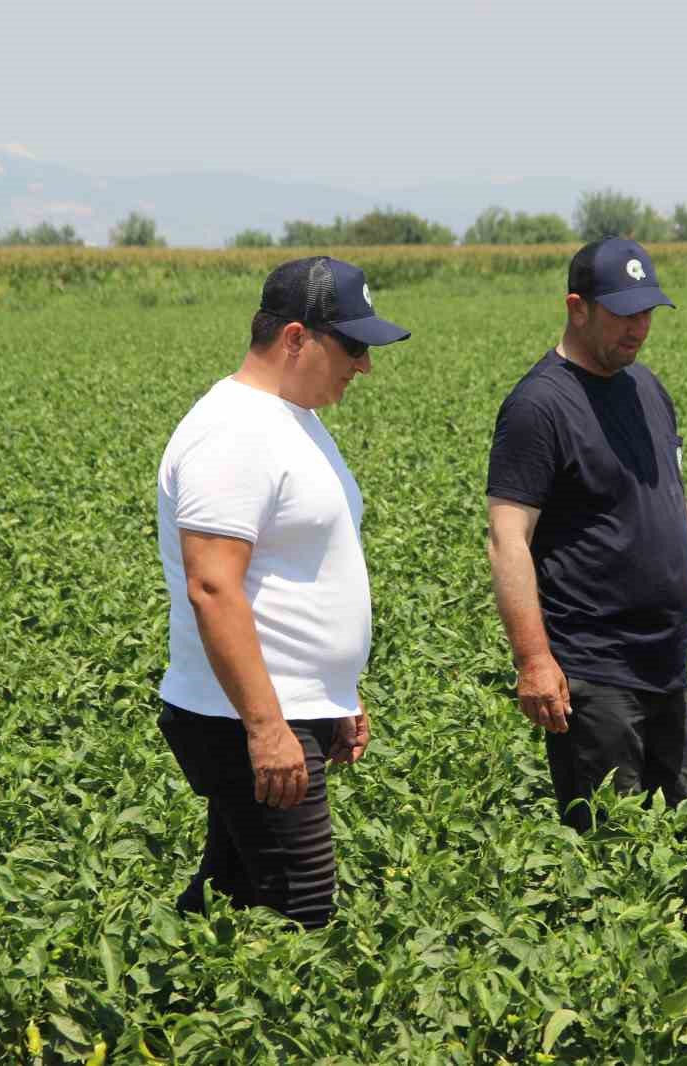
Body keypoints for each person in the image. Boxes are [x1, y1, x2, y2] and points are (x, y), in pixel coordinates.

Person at [155, 255, 409, 929]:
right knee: (301, 913)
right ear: (296, 338)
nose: (364, 366)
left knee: (229, 897)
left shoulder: (289, 418)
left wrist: (337, 695)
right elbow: (212, 587)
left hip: (285, 708)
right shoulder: (234, 431)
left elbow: (298, 569)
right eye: (352, 346)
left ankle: (154, 1011)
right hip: (246, 716)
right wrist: (268, 728)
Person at [485, 237, 687, 832]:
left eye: (647, 313)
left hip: (665, 661)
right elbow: (507, 540)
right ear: (576, 307)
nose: (638, 328)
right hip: (593, 668)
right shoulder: (540, 406)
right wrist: (533, 659)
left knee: (686, 837)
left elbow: (671, 502)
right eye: (623, 313)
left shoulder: (646, 390)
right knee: (613, 853)